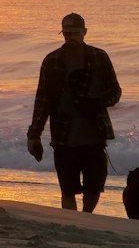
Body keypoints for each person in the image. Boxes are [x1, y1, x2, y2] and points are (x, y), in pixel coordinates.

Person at [26, 12, 122, 212]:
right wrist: (34, 135)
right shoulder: (51, 61)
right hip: (63, 136)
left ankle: (86, 217)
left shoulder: (99, 57)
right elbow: (42, 100)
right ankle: (72, 221)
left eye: (75, 33)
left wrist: (97, 103)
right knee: (67, 190)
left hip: (94, 134)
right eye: (67, 34)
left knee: (94, 187)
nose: (71, 37)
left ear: (84, 32)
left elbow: (115, 91)